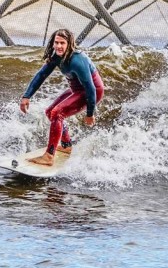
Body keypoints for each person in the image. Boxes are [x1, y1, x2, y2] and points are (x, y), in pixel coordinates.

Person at [18, 28, 105, 166]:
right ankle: (66, 145)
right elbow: (41, 75)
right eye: (56, 42)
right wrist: (26, 96)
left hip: (91, 92)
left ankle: (49, 156)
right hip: (76, 90)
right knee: (50, 112)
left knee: (57, 113)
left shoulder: (78, 60)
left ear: (69, 43)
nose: (58, 46)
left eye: (62, 43)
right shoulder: (56, 57)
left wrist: (90, 113)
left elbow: (90, 88)